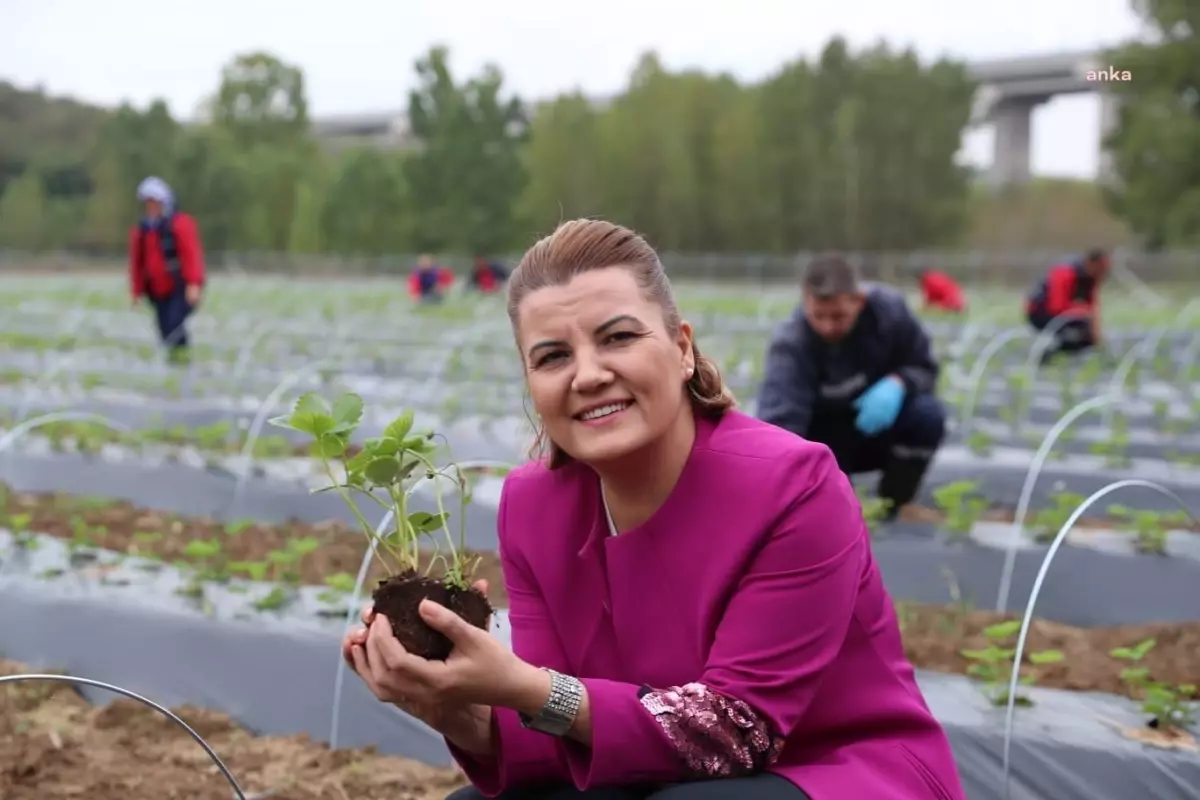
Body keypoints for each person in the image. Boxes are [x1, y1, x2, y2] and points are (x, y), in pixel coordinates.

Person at [341, 220, 966, 800]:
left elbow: (736, 732)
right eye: (553, 356)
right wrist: (459, 708)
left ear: (682, 347)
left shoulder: (793, 487)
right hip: (666, 771)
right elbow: (559, 724)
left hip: (838, 772)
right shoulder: (533, 505)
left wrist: (523, 685)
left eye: (617, 337)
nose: (587, 374)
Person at [756, 254, 945, 519]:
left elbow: (925, 367)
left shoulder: (889, 314)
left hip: (877, 429)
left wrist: (899, 382)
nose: (828, 326)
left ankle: (891, 505)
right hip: (825, 440)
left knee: (927, 415)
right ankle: (835, 503)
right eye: (818, 316)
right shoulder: (792, 343)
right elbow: (781, 423)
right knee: (832, 510)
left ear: (859, 300)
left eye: (839, 316)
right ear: (805, 301)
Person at [128, 176, 205, 362]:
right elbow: (137, 264)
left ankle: (182, 358)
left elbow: (192, 255)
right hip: (157, 290)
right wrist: (136, 292)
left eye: (155, 202)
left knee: (175, 323)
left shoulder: (180, 225)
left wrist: (194, 283)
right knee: (163, 327)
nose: (151, 207)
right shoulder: (142, 232)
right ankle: (174, 359)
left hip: (180, 287)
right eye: (148, 203)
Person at [1026, 249, 1109, 362]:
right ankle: (1044, 358)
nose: (1104, 273)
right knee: (1078, 331)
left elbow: (1092, 307)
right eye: (1102, 268)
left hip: (1066, 313)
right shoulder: (1065, 271)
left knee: (1088, 337)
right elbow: (1056, 305)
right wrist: (1082, 311)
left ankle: (1055, 357)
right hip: (1040, 312)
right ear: (1091, 263)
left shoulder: (1091, 279)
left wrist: (1096, 330)